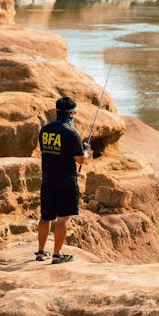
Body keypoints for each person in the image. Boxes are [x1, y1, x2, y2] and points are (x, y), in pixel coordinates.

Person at [36, 96, 89, 264]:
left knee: (45, 217)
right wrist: (86, 151)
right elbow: (80, 160)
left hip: (48, 179)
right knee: (63, 218)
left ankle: (40, 252)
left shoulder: (44, 130)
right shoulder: (72, 133)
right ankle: (57, 255)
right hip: (66, 181)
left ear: (57, 111)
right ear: (72, 113)